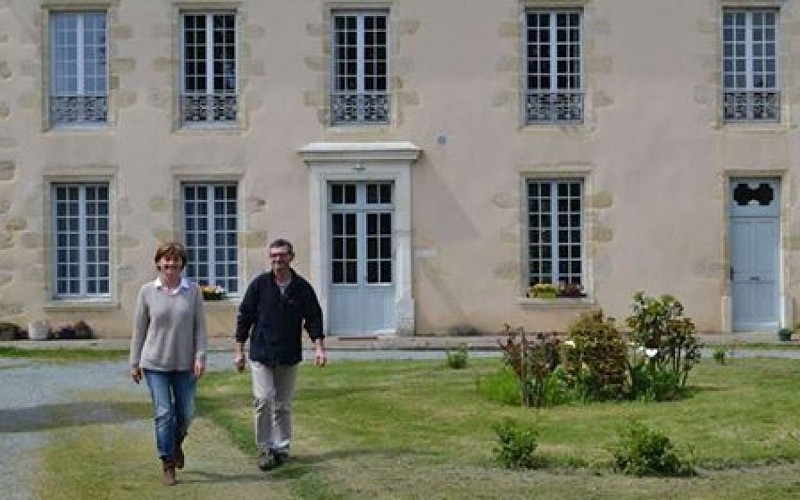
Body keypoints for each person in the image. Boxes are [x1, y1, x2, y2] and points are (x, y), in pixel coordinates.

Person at [234, 238, 326, 471]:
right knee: (263, 399)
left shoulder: (301, 287)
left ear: (291, 257)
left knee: (283, 405)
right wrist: (239, 350)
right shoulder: (260, 286)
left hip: (288, 354)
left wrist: (319, 347)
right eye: (274, 255)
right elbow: (245, 317)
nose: (278, 259)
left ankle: (282, 448)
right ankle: (265, 447)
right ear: (270, 258)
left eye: (282, 255)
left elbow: (314, 317)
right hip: (262, 353)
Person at [129, 242, 208, 486]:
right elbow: (139, 330)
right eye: (166, 260)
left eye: (176, 260)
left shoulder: (192, 291)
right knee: (163, 414)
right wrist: (135, 362)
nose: (171, 265)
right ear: (158, 263)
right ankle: (167, 463)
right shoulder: (146, 292)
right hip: (155, 363)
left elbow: (200, 329)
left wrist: (200, 357)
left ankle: (175, 444)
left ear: (182, 264)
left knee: (186, 413)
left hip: (185, 364)